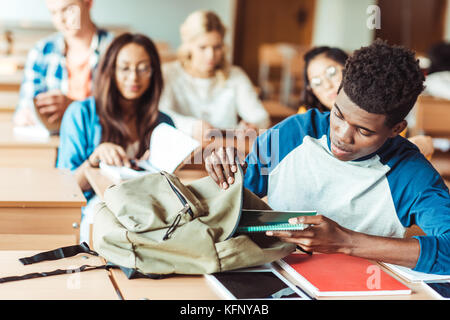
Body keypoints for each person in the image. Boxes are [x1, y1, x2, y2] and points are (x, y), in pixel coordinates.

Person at [204, 39, 450, 275]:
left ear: (396, 129)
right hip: (271, 278)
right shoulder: (293, 134)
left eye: (364, 131)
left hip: (362, 289)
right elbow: (225, 207)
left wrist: (346, 242)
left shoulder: (410, 173)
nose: (343, 136)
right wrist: (221, 174)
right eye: (339, 115)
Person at [56, 33, 174, 242]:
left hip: (148, 218)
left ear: (154, 72)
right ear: (111, 70)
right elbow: (66, 190)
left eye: (143, 68)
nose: (134, 78)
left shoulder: (163, 122)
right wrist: (95, 158)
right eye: (125, 68)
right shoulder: (81, 113)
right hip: (99, 218)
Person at [298, 46, 434, 158]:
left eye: (332, 72)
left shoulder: (381, 113)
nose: (327, 85)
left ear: (349, 66)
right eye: (316, 82)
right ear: (311, 90)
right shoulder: (305, 119)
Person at [159, 10, 270, 142]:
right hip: (180, 148)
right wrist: (191, 126)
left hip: (224, 150)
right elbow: (161, 113)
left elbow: (261, 117)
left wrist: (254, 126)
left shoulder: (235, 75)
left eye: (217, 47)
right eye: (203, 47)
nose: (211, 55)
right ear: (188, 45)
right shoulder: (168, 73)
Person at [13, 0, 113, 129]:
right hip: (54, 143)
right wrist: (28, 115)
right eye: (53, 12)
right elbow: (24, 108)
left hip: (102, 142)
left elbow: (125, 114)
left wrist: (73, 108)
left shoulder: (115, 50)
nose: (60, 20)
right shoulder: (42, 51)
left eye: (67, 10)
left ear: (88, 3)